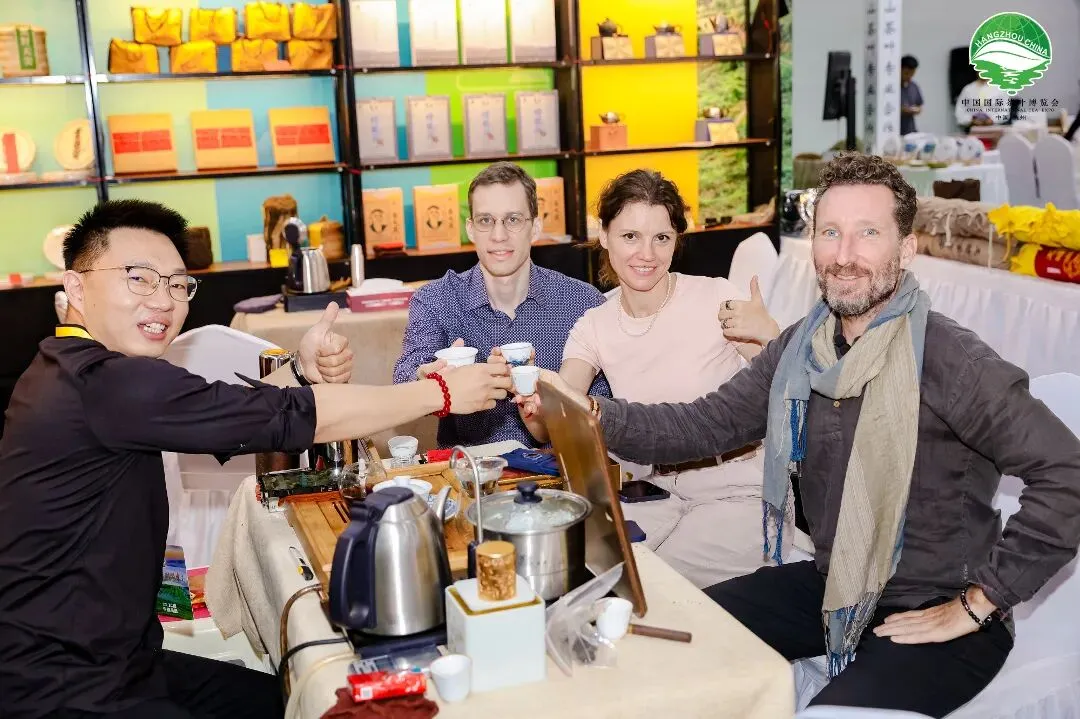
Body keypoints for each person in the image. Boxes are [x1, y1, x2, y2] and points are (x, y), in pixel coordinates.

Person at [539, 153, 1080, 717]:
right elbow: (704, 424)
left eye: (867, 233)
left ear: (906, 250)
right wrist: (594, 411)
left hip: (932, 604)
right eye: (830, 232)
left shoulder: (950, 359)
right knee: (667, 640)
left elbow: (1067, 471)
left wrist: (979, 603)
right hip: (834, 585)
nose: (844, 255)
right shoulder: (804, 347)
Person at [0, 199, 512, 719]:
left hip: (117, 660)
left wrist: (299, 372)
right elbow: (294, 419)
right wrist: (439, 393)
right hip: (62, 685)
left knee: (291, 697)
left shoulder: (69, 370)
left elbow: (230, 413)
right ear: (77, 287)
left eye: (177, 285)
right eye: (139, 278)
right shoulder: (105, 382)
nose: (163, 301)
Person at [515, 169, 784, 588]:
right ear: (604, 235)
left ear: (677, 240)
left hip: (735, 489)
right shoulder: (594, 325)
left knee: (653, 586)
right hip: (652, 491)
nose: (647, 254)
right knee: (582, 570)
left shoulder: (716, 298)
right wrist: (534, 398)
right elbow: (555, 419)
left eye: (661, 237)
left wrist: (771, 336)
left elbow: (787, 385)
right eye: (630, 236)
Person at [394, 161, 609, 447]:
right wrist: (429, 379)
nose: (499, 235)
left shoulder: (582, 302)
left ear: (535, 228)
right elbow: (404, 378)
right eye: (486, 221)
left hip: (557, 467)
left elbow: (604, 407)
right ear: (471, 229)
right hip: (470, 470)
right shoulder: (438, 299)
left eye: (513, 220)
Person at [899, 55, 923, 135]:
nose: (909, 77)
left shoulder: (914, 86)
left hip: (910, 131)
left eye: (912, 74)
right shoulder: (891, 88)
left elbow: (919, 106)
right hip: (894, 131)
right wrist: (901, 110)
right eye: (906, 73)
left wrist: (916, 110)